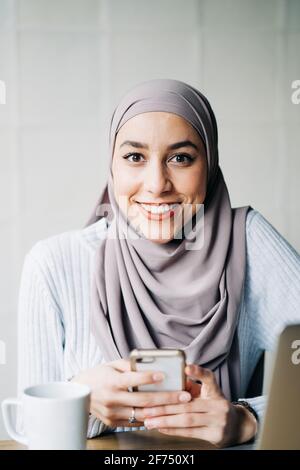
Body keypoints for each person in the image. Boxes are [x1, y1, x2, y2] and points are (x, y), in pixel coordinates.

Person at [17, 79, 300, 447]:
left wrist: (245, 417)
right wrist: (81, 399)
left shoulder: (247, 241)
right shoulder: (55, 263)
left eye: (180, 158)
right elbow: (29, 427)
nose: (156, 184)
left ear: (209, 165)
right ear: (112, 165)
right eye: (135, 157)